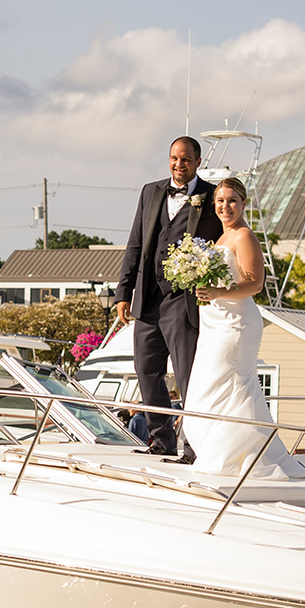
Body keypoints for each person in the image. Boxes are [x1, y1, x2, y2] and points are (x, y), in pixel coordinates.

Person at [183, 177, 305, 479]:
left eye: (232, 201)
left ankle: (242, 457)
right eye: (220, 201)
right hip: (214, 323)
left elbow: (254, 283)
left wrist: (218, 293)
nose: (225, 206)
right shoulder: (220, 238)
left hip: (236, 325)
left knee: (233, 388)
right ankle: (222, 451)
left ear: (243, 204)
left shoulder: (244, 236)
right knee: (207, 387)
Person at [113, 135, 223, 460]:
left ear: (198, 162)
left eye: (186, 160)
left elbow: (223, 242)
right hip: (148, 297)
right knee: (146, 369)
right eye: (174, 158)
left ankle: (193, 447)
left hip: (183, 298)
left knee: (188, 374)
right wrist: (123, 292)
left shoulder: (212, 196)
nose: (178, 165)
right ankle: (161, 440)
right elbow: (135, 244)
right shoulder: (151, 191)